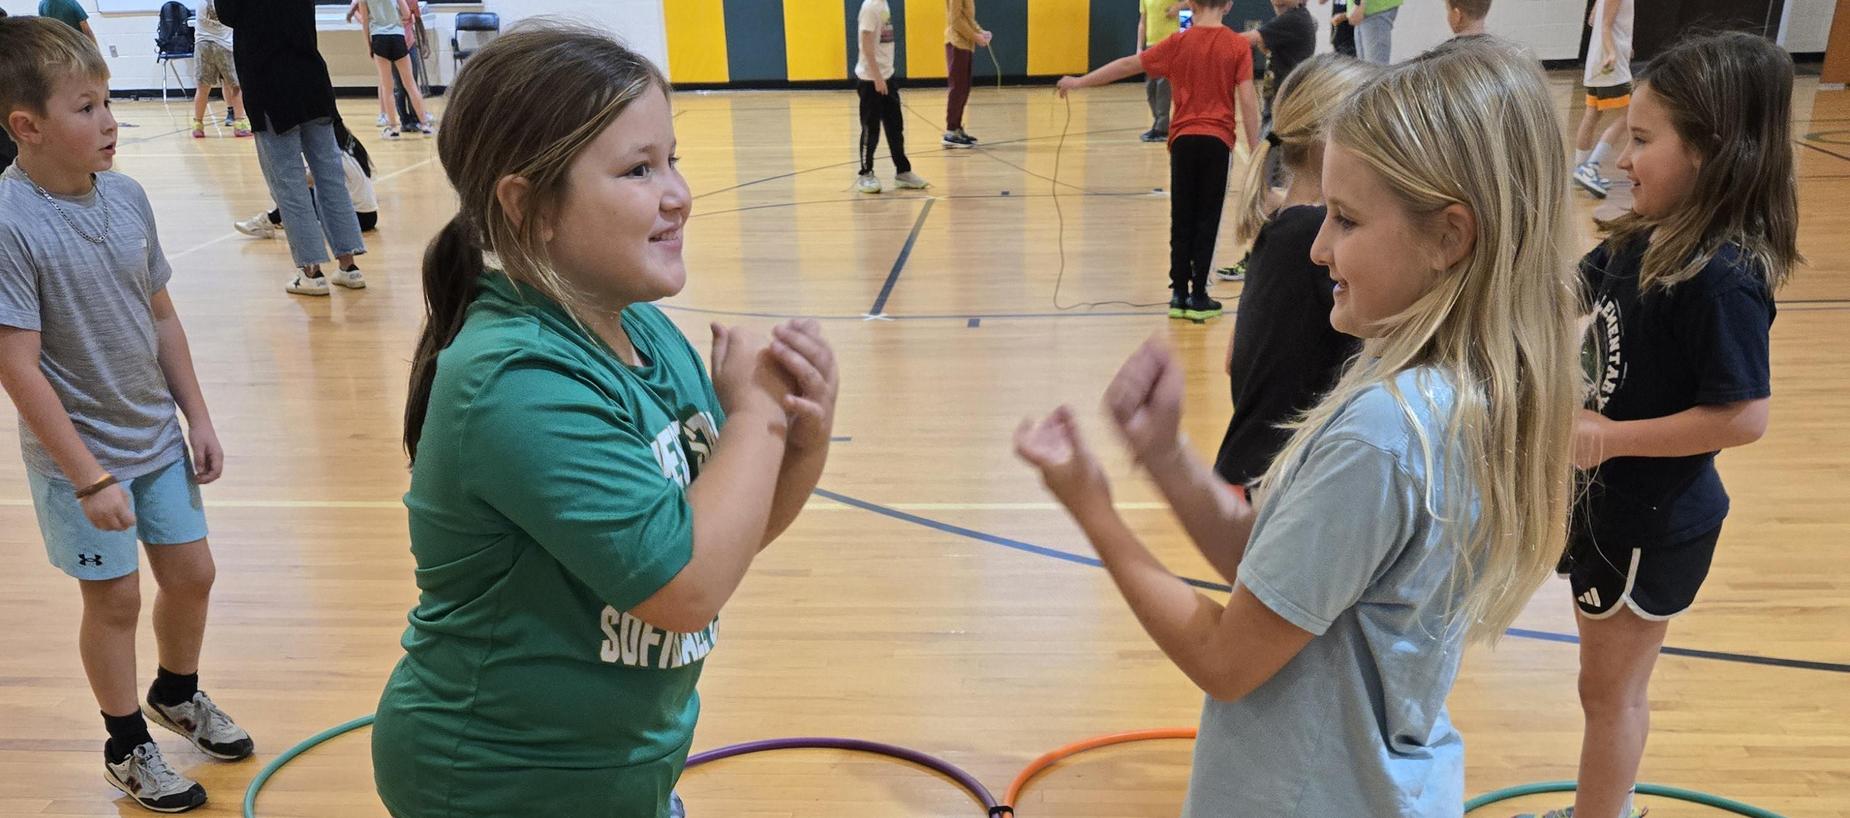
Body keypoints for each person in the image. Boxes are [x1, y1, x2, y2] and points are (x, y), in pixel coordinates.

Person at [1018, 37, 1581, 817]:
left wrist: (1093, 508)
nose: (1317, 248)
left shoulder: (1385, 435)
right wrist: (1165, 458)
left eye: (1345, 220)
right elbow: (1285, 578)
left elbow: (1227, 658)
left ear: (1451, 236)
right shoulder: (1464, 393)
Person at [370, 24, 839, 818]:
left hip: (618, 767)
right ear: (529, 206)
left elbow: (719, 543)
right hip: (501, 781)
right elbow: (685, 589)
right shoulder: (517, 379)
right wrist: (755, 415)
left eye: (673, 160)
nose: (680, 194)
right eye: (638, 169)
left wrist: (801, 439)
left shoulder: (638, 325)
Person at [1517, 31, 1799, 818]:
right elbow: (1561, 298)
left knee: (1610, 696)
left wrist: (1607, 438)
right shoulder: (1641, 236)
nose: (1621, 157)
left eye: (1641, 139)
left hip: (1653, 520)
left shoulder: (1722, 276)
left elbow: (1744, 417)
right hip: (1610, 506)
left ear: (1710, 151)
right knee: (1602, 687)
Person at [0, 16, 253, 813]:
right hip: (84, 463)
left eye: (108, 102)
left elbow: (162, 315)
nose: (110, 121)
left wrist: (198, 418)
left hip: (157, 440)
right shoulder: (9, 222)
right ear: (27, 126)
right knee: (114, 602)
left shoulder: (130, 196)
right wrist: (88, 476)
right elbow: (15, 363)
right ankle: (125, 746)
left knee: (193, 575)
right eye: (86, 108)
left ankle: (176, 692)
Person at [1216, 54, 1369, 490]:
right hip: (1275, 483)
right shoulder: (1312, 236)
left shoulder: (1285, 223)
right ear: (1335, 141)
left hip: (1256, 477)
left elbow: (1232, 359)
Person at [1058, 0, 1261, 321]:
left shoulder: (1177, 42)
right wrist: (1257, 153)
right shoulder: (1237, 45)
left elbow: (1127, 65)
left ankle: (1178, 293)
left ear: (1190, 4)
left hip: (1182, 141)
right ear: (1228, 4)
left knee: (1182, 215)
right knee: (1207, 218)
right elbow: (1249, 102)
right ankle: (1199, 297)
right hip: (1217, 142)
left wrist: (1079, 82)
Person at [218, 0, 368, 296]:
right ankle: (349, 265)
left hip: (270, 86)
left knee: (288, 183)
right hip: (313, 80)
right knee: (330, 176)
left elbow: (228, 15)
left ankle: (311, 271)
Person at [236, 117, 379, 237]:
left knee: (298, 195)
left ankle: (268, 220)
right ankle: (279, 218)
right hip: (369, 215)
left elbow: (304, 183)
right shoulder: (351, 150)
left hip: (356, 218)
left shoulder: (334, 159)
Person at [854, 0, 930, 194]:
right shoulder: (870, 7)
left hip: (887, 76)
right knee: (871, 131)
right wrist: (877, 78)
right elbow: (866, 44)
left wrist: (885, 76)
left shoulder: (883, 5)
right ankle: (866, 174)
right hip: (871, 80)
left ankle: (903, 172)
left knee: (895, 127)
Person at [1572, 0, 1634, 198]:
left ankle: (1580, 171)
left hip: (1597, 64)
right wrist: (1612, 52)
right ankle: (1590, 167)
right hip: (1610, 67)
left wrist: (1622, 45)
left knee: (1592, 115)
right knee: (1628, 115)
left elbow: (1593, 20)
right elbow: (1605, 25)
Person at [349, 0, 433, 138]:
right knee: (411, 84)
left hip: (378, 38)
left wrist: (369, 46)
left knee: (387, 87)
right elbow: (406, 14)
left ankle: (393, 128)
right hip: (398, 36)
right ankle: (425, 124)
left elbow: (365, 22)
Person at [190, 0, 250, 138]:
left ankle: (198, 125)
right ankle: (240, 124)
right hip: (225, 44)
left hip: (203, 43)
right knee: (236, 87)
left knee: (203, 88)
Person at [942, 0, 992, 147]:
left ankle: (957, 128)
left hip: (966, 44)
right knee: (957, 88)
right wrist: (975, 37)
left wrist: (979, 32)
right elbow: (955, 20)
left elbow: (967, 18)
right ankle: (950, 131)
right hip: (957, 42)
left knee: (964, 88)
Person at [1137, 0, 1184, 142]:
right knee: (1150, 88)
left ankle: (1162, 128)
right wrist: (1140, 47)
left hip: (1169, 43)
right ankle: (1158, 123)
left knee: (1163, 86)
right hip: (1151, 46)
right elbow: (1142, 22)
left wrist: (1178, 7)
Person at [1350, 0, 1400, 64]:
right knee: (1365, 69)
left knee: (1375, 69)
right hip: (1368, 10)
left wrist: (1359, 3)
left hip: (1374, 8)